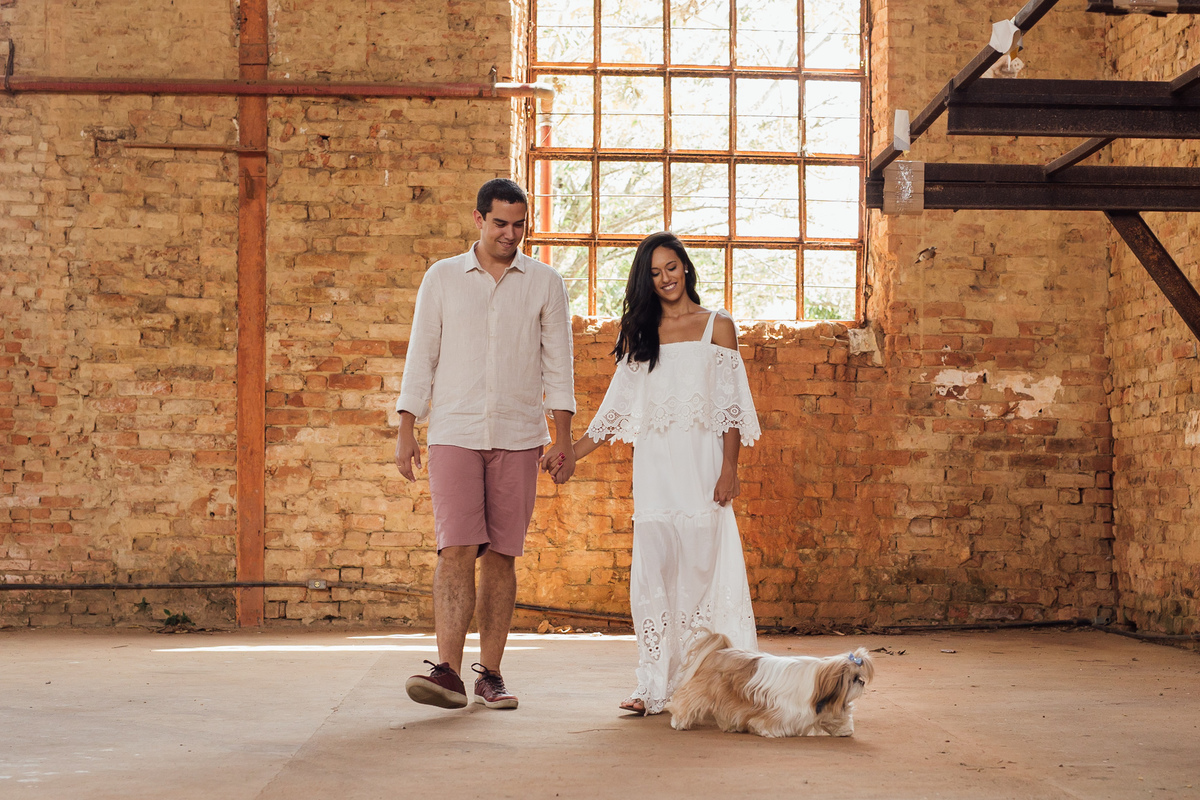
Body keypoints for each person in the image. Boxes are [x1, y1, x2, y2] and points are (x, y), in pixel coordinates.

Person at [545, 231, 760, 715]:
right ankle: (653, 686)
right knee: (655, 575)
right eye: (655, 272)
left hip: (702, 468)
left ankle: (714, 683)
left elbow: (730, 409)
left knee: (703, 572)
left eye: (671, 267)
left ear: (685, 267)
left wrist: (730, 469)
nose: (665, 278)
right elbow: (615, 409)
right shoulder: (641, 334)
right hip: (656, 472)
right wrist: (573, 453)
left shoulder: (718, 326)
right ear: (647, 280)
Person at [395, 178, 576, 711]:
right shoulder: (442, 277)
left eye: (519, 225)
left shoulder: (545, 283)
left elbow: (558, 365)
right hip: (454, 432)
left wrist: (564, 437)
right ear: (479, 219)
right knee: (455, 549)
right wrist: (406, 426)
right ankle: (447, 672)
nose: (510, 234)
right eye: (500, 223)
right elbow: (421, 354)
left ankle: (490, 675)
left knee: (501, 556)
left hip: (520, 436)